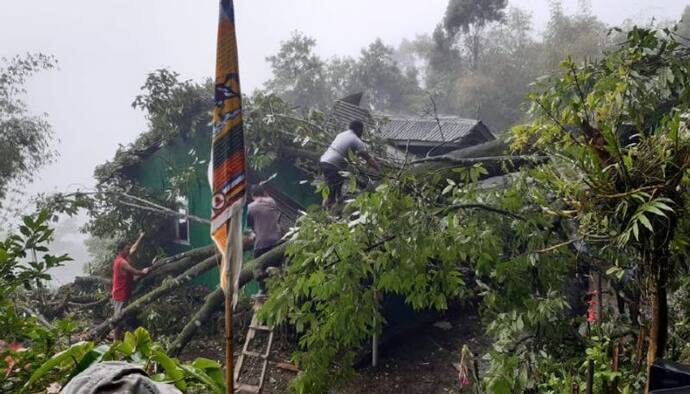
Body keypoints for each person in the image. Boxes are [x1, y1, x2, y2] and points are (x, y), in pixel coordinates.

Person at [319, 119, 380, 208]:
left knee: (335, 191)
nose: (362, 133)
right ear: (359, 129)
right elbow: (367, 158)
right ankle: (326, 214)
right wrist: (378, 168)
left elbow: (351, 156)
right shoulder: (356, 140)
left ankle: (330, 210)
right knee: (332, 195)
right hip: (333, 165)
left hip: (324, 161)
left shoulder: (341, 134)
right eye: (362, 130)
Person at [111, 232, 149, 340]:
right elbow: (134, 272)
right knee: (117, 319)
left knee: (122, 316)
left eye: (128, 249)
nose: (128, 251)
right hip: (119, 294)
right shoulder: (121, 262)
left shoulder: (125, 256)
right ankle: (116, 341)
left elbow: (133, 248)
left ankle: (120, 337)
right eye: (126, 249)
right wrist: (143, 271)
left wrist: (140, 237)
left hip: (125, 291)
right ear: (120, 250)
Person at [247, 184, 282, 293]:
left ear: (252, 195)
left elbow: (248, 226)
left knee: (257, 267)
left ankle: (263, 290)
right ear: (264, 192)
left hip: (261, 244)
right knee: (275, 269)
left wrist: (252, 233)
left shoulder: (250, 207)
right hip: (277, 241)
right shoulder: (272, 201)